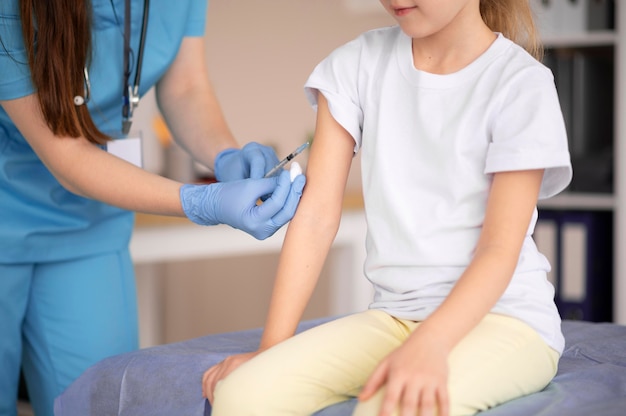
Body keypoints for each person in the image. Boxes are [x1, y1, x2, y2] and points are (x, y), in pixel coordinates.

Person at [203, 0, 573, 415]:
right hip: (394, 317)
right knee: (241, 396)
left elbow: (498, 251)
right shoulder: (354, 66)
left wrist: (429, 344)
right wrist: (270, 349)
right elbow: (316, 217)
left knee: (392, 406)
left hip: (505, 319)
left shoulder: (521, 84)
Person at [0, 1, 305, 415]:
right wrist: (199, 202)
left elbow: (185, 88)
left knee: (100, 401)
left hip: (88, 221)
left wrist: (224, 154)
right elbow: (66, 157)